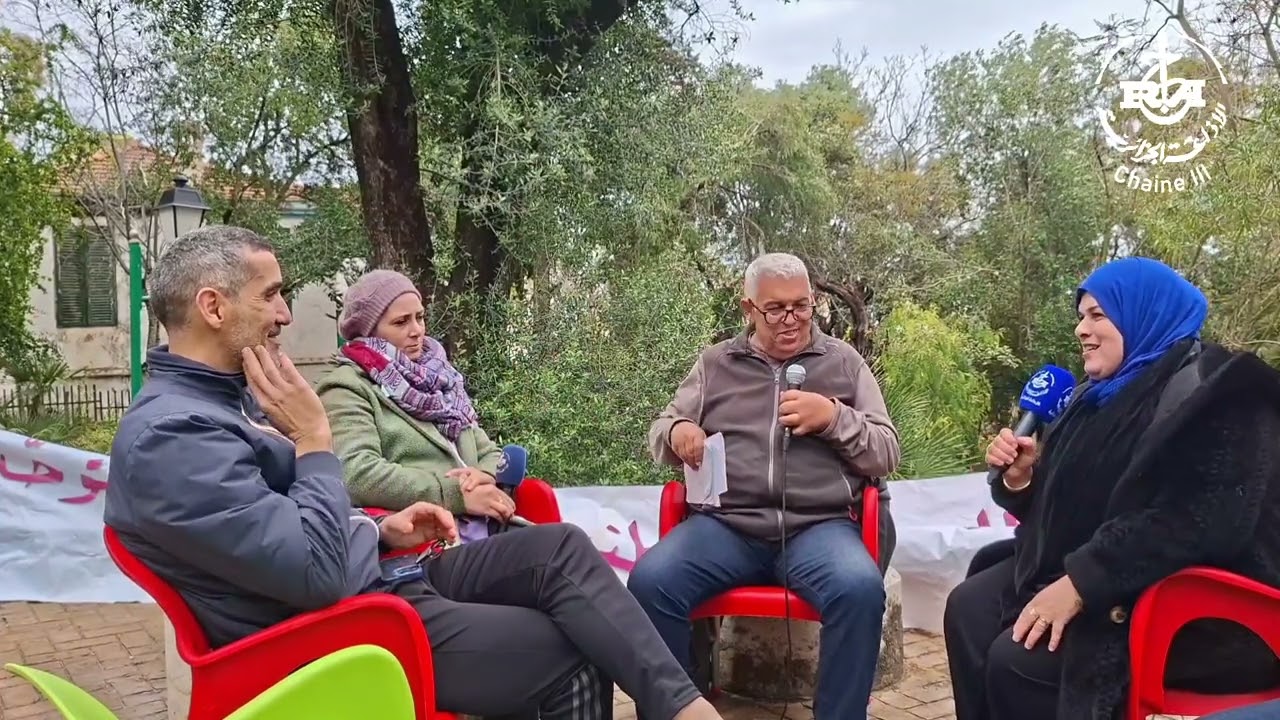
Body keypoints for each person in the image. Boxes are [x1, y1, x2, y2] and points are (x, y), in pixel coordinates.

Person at [103, 226, 725, 720]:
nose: (286, 314)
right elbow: (314, 571)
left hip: (384, 574)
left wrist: (383, 531)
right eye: (270, 294)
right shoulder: (172, 435)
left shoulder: (221, 403)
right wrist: (317, 441)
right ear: (213, 306)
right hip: (341, 632)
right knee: (574, 648)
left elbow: (285, 530)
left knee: (557, 549)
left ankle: (685, 708)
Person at [944, 256, 1280, 720]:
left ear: (1145, 313)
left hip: (1197, 608)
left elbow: (1204, 520)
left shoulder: (1224, 393)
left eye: (1098, 315)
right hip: (1105, 572)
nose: (1082, 329)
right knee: (969, 609)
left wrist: (1084, 581)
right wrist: (1022, 482)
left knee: (1016, 661)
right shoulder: (1093, 397)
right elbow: (1072, 505)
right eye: (1081, 316)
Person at [627, 252, 900, 720]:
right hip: (727, 527)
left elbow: (886, 451)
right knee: (651, 583)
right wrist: (678, 434)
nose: (791, 320)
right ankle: (684, 707)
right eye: (775, 309)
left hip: (819, 528)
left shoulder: (844, 363)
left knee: (859, 589)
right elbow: (662, 429)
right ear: (748, 308)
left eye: (802, 306)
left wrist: (833, 418)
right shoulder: (716, 364)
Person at [314, 269, 514, 542]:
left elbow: (489, 451)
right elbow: (357, 473)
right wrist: (454, 493)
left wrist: (483, 475)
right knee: (563, 545)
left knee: (564, 545)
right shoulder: (347, 387)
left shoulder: (440, 380)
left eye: (419, 317)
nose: (417, 330)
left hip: (487, 529)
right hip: (426, 543)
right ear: (369, 330)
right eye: (401, 322)